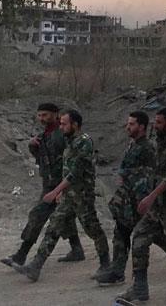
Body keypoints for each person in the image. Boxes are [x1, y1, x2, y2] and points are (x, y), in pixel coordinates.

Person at [14, 110, 111, 282]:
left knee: (93, 229)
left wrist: (55, 191)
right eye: (61, 123)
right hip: (68, 195)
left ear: (75, 125)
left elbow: (75, 173)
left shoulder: (84, 142)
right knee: (53, 227)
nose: (61, 127)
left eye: (64, 124)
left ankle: (106, 264)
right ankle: (36, 265)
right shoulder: (69, 142)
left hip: (82, 195)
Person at [118, 107, 166, 303]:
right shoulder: (159, 144)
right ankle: (140, 288)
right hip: (158, 205)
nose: (155, 125)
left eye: (159, 122)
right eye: (155, 122)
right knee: (140, 237)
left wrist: (150, 197)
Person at [1, 103, 83, 268]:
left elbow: (68, 161)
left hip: (60, 184)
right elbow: (43, 159)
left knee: (38, 215)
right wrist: (33, 147)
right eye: (39, 115)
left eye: (45, 115)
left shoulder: (61, 135)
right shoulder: (45, 135)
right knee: (64, 218)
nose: (42, 119)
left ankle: (21, 255)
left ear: (55, 115)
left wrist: (61, 188)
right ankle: (77, 249)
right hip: (50, 183)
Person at [96, 111, 157, 286]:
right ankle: (117, 272)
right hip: (128, 199)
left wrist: (128, 176)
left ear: (142, 127)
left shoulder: (147, 148)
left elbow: (149, 174)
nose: (127, 127)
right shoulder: (133, 145)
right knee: (121, 232)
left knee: (155, 235)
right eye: (128, 124)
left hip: (140, 200)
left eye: (131, 124)